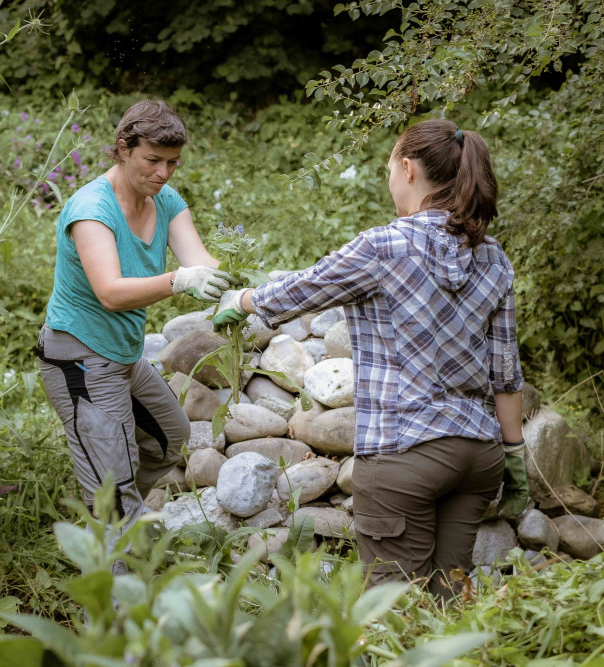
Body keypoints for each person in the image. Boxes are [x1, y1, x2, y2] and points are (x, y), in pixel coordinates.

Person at [213, 119, 529, 600]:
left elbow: (304, 288)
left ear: (407, 169)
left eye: (388, 169)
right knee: (450, 600)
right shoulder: (494, 258)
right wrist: (514, 455)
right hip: (477, 456)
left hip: (405, 453)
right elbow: (505, 372)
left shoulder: (383, 246)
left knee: (392, 608)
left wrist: (240, 302)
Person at [38, 99, 237, 530]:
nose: (163, 173)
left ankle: (112, 516)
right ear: (123, 148)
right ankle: (113, 559)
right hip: (80, 358)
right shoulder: (92, 210)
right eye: (153, 160)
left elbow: (200, 261)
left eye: (172, 163)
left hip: (123, 358)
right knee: (113, 484)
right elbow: (110, 293)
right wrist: (178, 281)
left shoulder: (164, 200)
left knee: (170, 440)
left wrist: (239, 284)